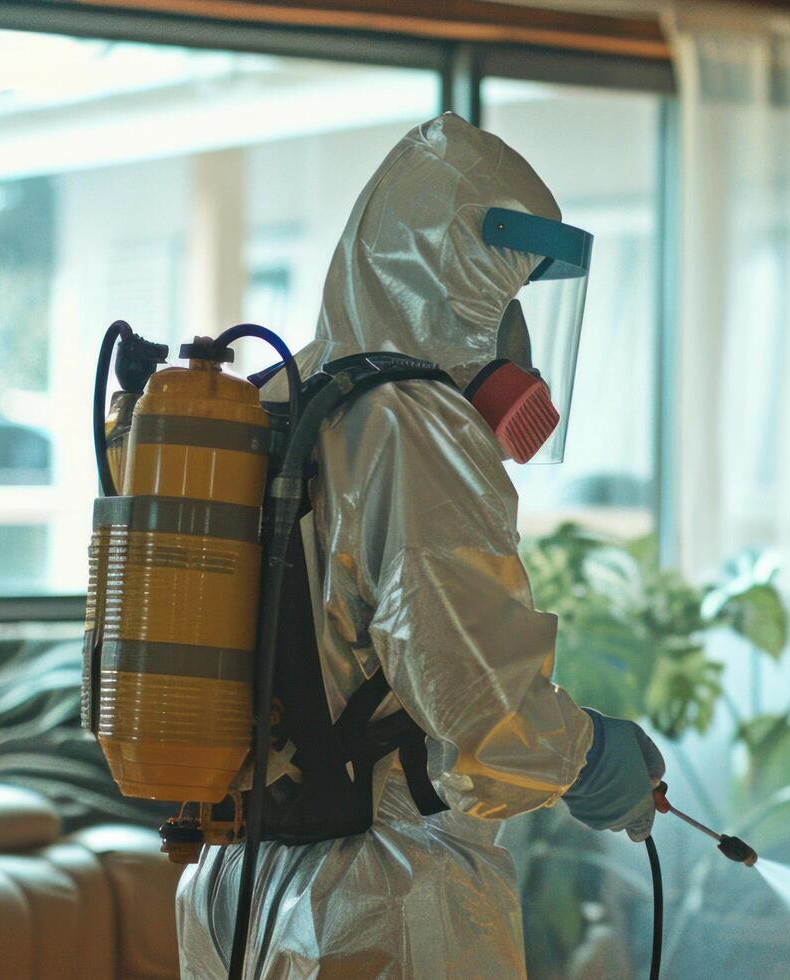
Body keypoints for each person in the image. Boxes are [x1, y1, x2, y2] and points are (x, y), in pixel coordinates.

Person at [176, 112, 666, 979]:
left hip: (235, 887)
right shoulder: (418, 426)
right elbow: (479, 707)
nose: (516, 336)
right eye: (507, 298)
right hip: (381, 898)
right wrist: (590, 756)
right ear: (464, 283)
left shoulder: (283, 400)